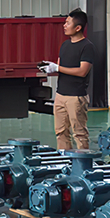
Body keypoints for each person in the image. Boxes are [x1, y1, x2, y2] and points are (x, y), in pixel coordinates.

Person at [40, 8, 95, 150]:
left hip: (76, 97)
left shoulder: (87, 47)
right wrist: (51, 68)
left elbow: (82, 71)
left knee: (79, 133)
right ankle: (64, 159)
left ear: (78, 28)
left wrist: (57, 68)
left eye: (68, 23)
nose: (64, 25)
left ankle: (83, 161)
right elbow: (61, 67)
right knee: (61, 132)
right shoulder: (65, 45)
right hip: (60, 95)